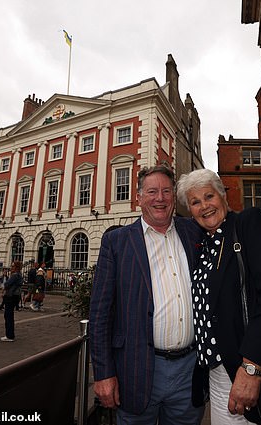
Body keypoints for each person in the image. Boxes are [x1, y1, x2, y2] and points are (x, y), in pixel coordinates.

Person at [176, 169, 261, 424]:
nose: (204, 206)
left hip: (257, 369)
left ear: (223, 197)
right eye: (195, 202)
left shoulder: (249, 224)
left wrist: (252, 368)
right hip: (218, 372)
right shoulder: (204, 246)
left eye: (209, 196)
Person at [89, 164, 204, 425]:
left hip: (190, 369)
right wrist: (103, 374)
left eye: (166, 191)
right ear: (138, 197)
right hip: (136, 369)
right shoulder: (117, 242)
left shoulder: (194, 232)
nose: (160, 198)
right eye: (152, 191)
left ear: (174, 197)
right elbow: (99, 315)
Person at [1, 260, 23, 342]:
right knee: (10, 315)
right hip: (15, 296)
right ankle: (10, 334)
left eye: (13, 266)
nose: (11, 268)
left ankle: (9, 335)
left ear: (16, 267)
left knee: (8, 315)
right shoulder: (19, 275)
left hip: (11, 296)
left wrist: (5, 282)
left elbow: (7, 284)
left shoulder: (15, 275)